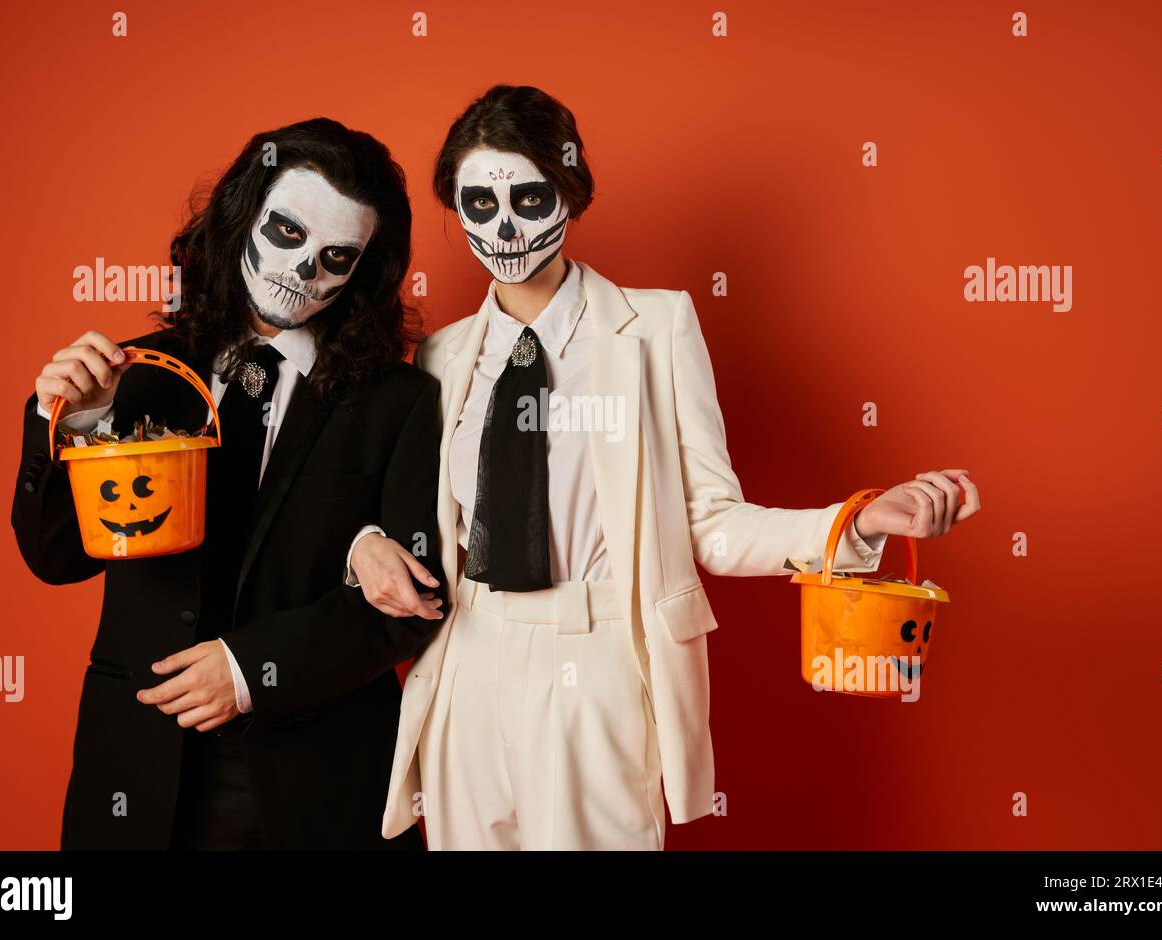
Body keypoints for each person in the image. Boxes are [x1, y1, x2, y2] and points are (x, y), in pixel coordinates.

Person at [351, 85, 982, 850]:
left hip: (598, 658)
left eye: (528, 195)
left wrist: (853, 525)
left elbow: (710, 526)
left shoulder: (657, 328)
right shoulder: (444, 355)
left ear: (570, 193)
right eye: (479, 204)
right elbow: (407, 515)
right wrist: (365, 545)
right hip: (468, 665)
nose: (505, 224)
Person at [11, 118, 446, 850]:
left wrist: (252, 669)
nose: (303, 270)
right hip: (137, 768)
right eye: (286, 232)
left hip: (315, 777)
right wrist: (68, 427)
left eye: (335, 256)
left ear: (363, 271)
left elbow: (414, 602)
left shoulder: (400, 402)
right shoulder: (135, 374)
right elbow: (55, 558)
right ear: (243, 216)